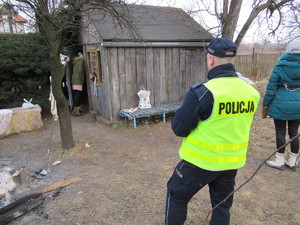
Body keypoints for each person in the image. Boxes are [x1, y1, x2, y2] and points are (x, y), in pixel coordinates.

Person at [165, 38, 260, 225]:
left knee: (176, 194)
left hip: (200, 161)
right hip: (231, 162)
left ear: (211, 59)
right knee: (221, 206)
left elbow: (179, 128)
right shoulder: (251, 92)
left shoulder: (203, 92)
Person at [262, 39, 300, 171]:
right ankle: (293, 161)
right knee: (294, 131)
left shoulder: (280, 66)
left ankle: (279, 160)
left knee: (280, 131)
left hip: (281, 103)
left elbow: (271, 88)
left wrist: (265, 106)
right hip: (298, 104)